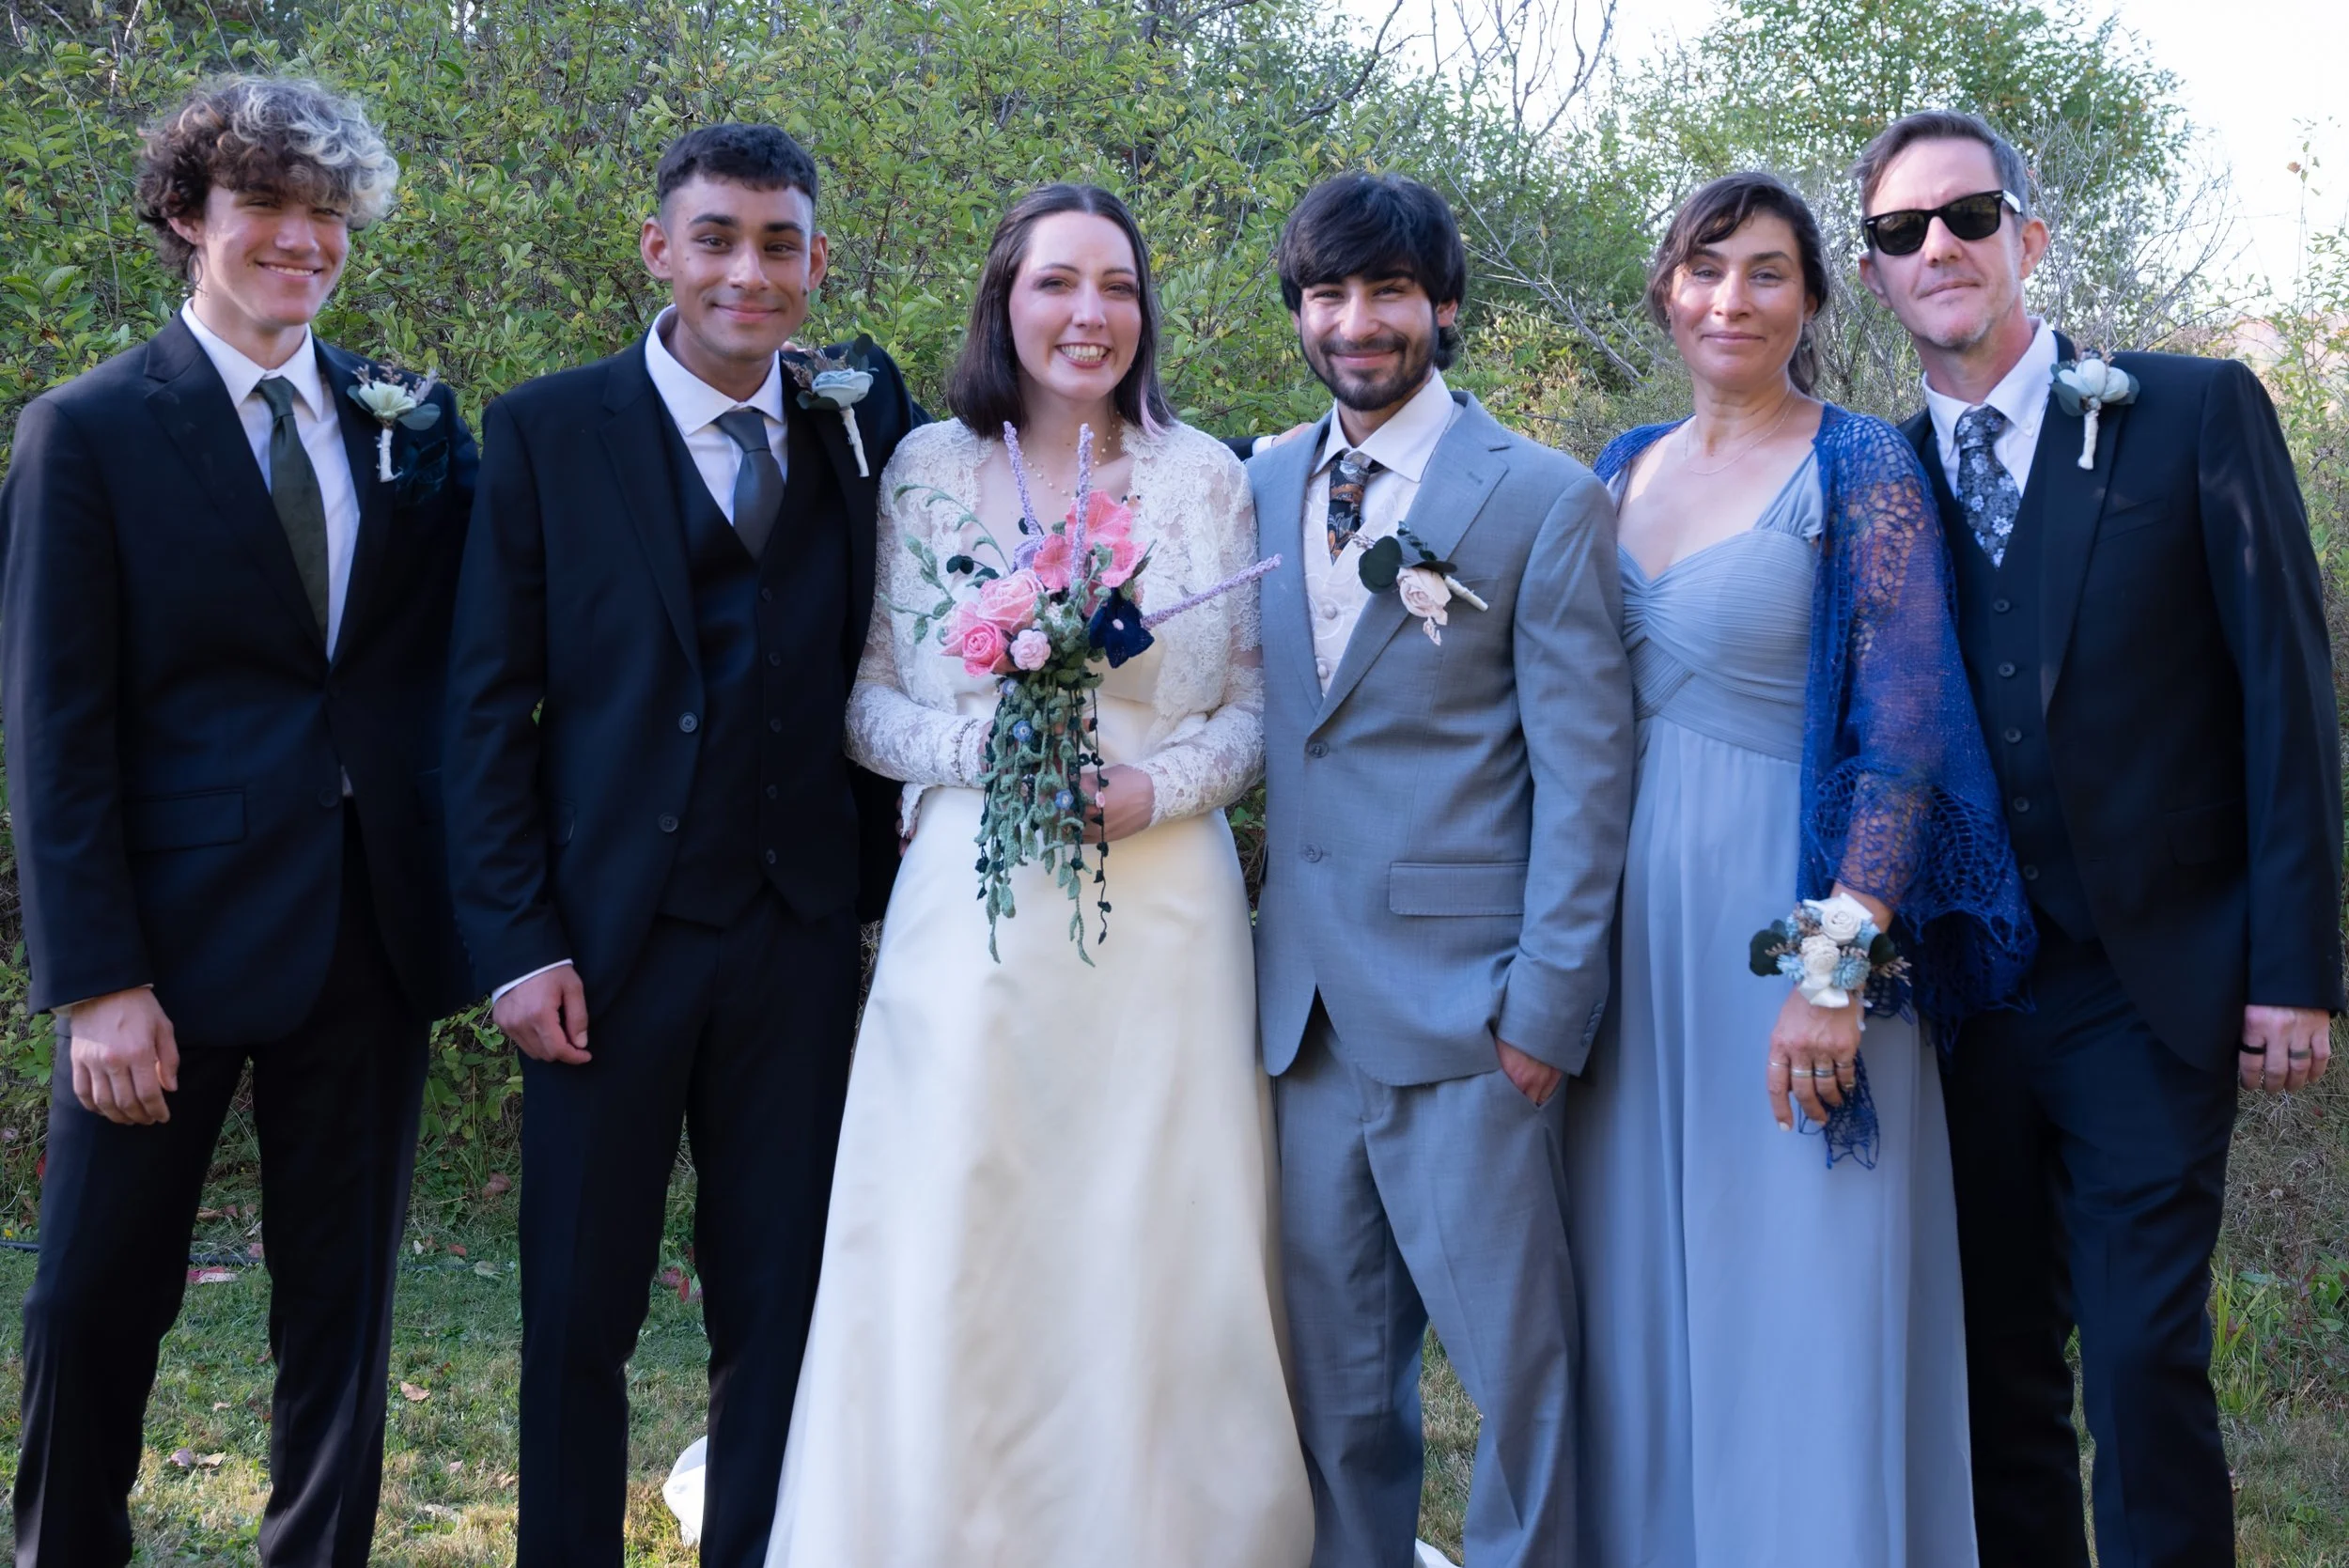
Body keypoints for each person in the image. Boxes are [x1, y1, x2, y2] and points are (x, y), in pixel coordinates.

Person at [755, 181, 1312, 1567]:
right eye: (1058, 283)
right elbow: (867, 705)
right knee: (964, 1204)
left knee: (1153, 1217)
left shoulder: (1207, 477)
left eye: (1117, 286)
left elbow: (1248, 714)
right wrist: (986, 751)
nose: (1090, 314)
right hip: (975, 904)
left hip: (1164, 907)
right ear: (1005, 300)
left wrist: (1153, 787)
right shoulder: (927, 470)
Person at [1854, 110, 2342, 1568]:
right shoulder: (1872, 478)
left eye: (1968, 214)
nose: (1937, 244)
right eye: (1898, 232)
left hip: (2155, 980)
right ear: (1876, 277)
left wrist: (2295, 970)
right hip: (1961, 999)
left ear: (2030, 236)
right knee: (1995, 1369)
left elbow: (2286, 698)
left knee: (2140, 1364)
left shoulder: (2190, 412)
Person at [0, 76, 477, 1567]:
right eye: (269, 205)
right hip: (165, 949)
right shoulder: (85, 432)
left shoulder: (406, 419)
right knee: (92, 1291)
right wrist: (97, 979)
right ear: (188, 216)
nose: (303, 240)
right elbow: (50, 727)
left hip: (369, 929)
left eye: (328, 214)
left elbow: (453, 666)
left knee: (343, 1306)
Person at [438, 124, 925, 1567]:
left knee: (779, 1301)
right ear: (659, 249)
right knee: (578, 1306)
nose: (747, 271)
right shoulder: (542, 430)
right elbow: (478, 709)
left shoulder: (861, 416)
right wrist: (515, 944)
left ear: (817, 262)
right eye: (716, 238)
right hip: (601, 947)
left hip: (797, 935)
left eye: (779, 243)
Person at [1565, 171, 2033, 1568]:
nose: (1733, 298)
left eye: (1769, 272)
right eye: (1708, 269)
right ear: (1665, 288)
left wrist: (1833, 976)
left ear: (1814, 301)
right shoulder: (1612, 468)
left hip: (1798, 935)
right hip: (1629, 940)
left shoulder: (1860, 468)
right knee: (1641, 1289)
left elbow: (1904, 739)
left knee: (1799, 1293)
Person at [1248, 171, 1633, 1568]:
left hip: (1473, 1019)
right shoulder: (1257, 480)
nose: (1359, 322)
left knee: (1522, 1390)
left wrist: (1544, 1013)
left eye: (1390, 292)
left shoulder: (1541, 498)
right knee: (1339, 1398)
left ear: (1444, 306)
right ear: (1300, 311)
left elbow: (1590, 782)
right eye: (1331, 294)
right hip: (1298, 1026)